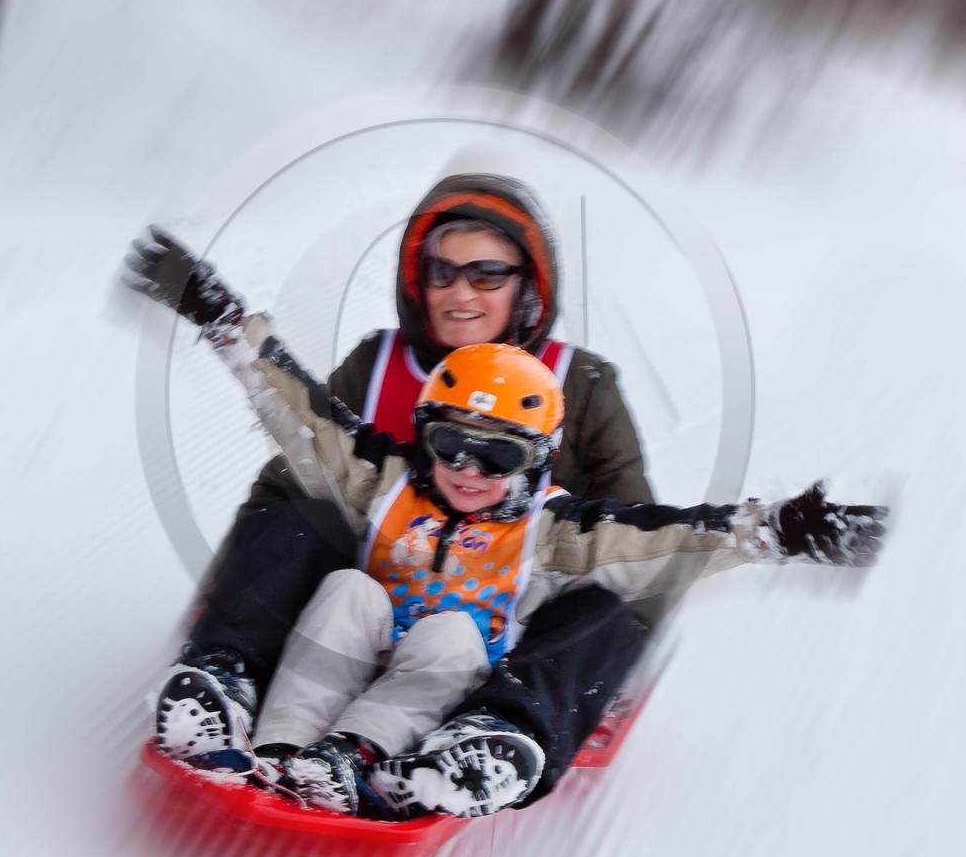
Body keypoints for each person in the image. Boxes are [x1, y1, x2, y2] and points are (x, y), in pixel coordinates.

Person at [125, 229, 887, 820]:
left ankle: (362, 760)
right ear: (425, 434)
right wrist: (223, 321)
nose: (467, 470)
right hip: (354, 646)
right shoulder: (383, 481)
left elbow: (670, 539)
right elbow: (299, 410)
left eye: (498, 458)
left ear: (537, 462)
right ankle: (267, 741)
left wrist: (781, 529)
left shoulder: (554, 534)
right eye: (451, 444)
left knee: (457, 632)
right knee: (351, 585)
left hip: (441, 684)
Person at [164, 171, 658, 817]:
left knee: (610, 598)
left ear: (528, 288)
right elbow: (292, 476)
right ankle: (228, 683)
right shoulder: (378, 364)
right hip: (358, 605)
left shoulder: (581, 383)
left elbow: (638, 537)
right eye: (440, 272)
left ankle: (494, 736)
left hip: (494, 632)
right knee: (301, 513)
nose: (459, 293)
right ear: (414, 281)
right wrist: (233, 600)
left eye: (486, 274)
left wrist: (596, 658)